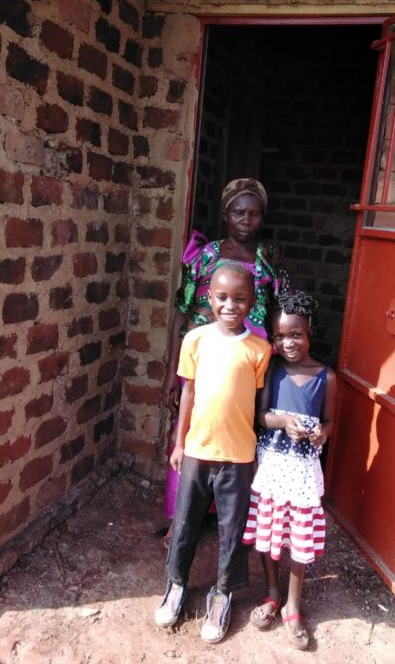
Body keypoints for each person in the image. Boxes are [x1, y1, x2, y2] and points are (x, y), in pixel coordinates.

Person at [160, 178, 291, 528]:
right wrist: (174, 372)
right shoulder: (206, 256)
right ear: (225, 215)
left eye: (254, 214)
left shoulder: (270, 258)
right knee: (192, 430)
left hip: (252, 364)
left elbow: (283, 309)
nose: (245, 220)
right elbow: (182, 313)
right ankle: (182, 519)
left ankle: (232, 521)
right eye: (238, 212)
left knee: (242, 434)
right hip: (203, 362)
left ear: (263, 217)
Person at [155, 262, 272, 644]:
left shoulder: (259, 350)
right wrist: (179, 443)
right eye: (222, 297)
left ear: (252, 303)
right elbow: (188, 392)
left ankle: (222, 593)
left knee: (231, 528)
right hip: (197, 450)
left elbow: (256, 403)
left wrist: (258, 454)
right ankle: (176, 584)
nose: (230, 305)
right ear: (210, 298)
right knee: (186, 521)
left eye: (240, 299)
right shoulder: (196, 339)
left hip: (238, 455)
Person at [242, 291, 336, 650]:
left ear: (310, 332)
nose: (287, 343)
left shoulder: (325, 377)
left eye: (295, 334)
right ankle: (271, 593)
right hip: (273, 464)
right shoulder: (272, 370)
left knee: (298, 535)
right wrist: (283, 421)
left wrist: (320, 432)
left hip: (302, 470)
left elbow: (330, 422)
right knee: (269, 531)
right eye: (279, 337)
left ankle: (293, 607)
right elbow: (260, 416)